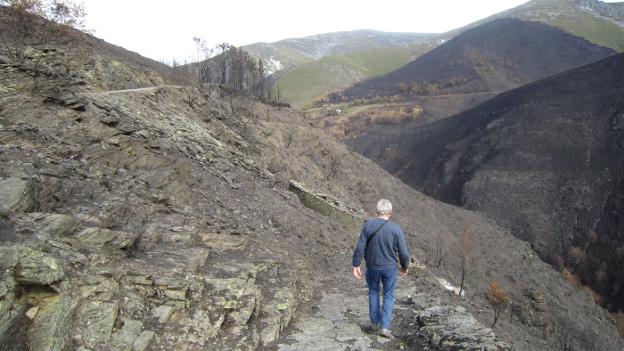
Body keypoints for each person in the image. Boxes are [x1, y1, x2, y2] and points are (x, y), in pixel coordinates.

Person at [352, 199, 410, 338]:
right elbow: (403, 252)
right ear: (390, 213)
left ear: (376, 211)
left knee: (373, 292)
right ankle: (385, 327)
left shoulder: (368, 226)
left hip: (372, 266)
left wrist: (356, 264)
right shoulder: (396, 229)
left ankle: (375, 325)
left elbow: (360, 247)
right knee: (389, 295)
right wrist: (404, 266)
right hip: (390, 268)